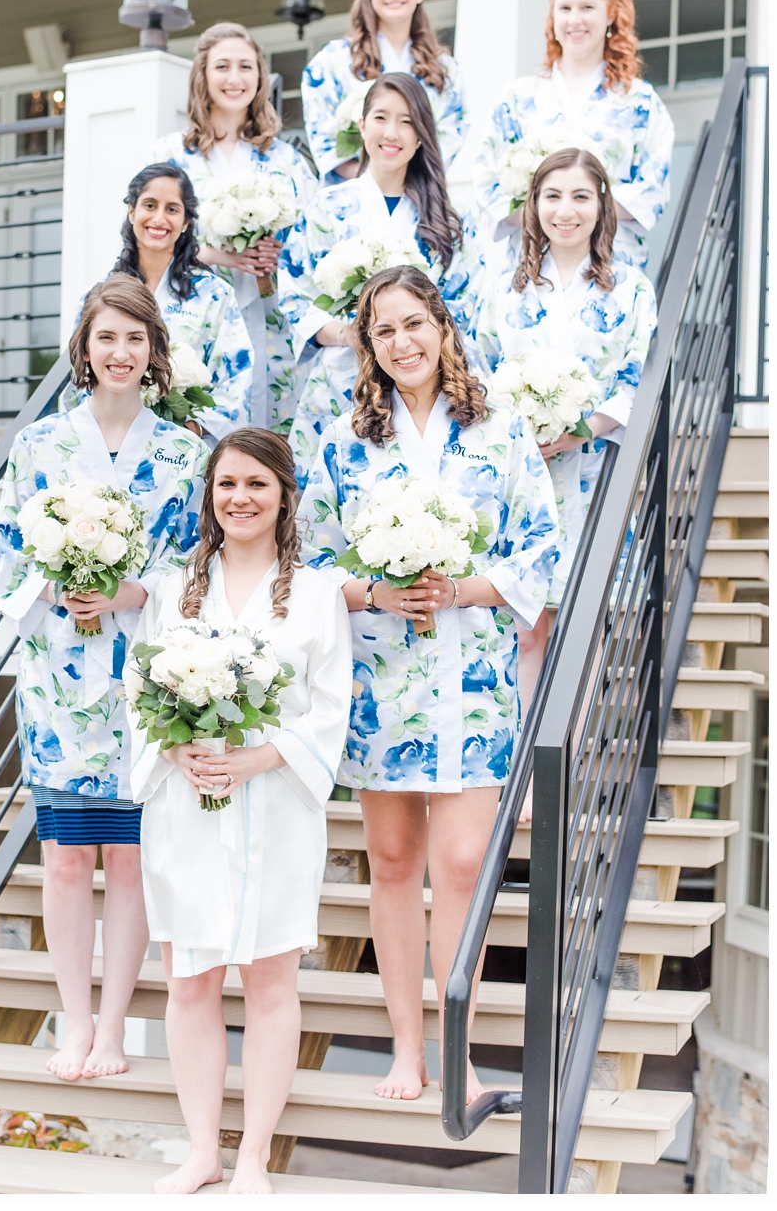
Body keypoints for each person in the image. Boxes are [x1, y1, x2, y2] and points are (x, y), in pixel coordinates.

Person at [297, 266, 558, 1106]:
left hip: (473, 673)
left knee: (462, 860)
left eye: (415, 324)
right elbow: (308, 564)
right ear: (367, 348)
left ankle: (458, 1050)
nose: (403, 343)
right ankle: (404, 1048)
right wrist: (375, 590)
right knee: (393, 858)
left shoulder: (501, 430)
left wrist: (466, 589)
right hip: (380, 674)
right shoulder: (343, 442)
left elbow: (540, 549)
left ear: (442, 328)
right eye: (384, 332)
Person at [0, 275, 208, 1082]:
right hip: (55, 675)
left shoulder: (185, 455)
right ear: (83, 348)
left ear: (154, 353)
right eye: (106, 338)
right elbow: (8, 554)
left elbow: (195, 566)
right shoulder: (39, 446)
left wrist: (132, 591)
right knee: (65, 861)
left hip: (146, 676)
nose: (120, 353)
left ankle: (114, 1028)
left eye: (135, 339)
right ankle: (73, 1023)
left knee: (128, 860)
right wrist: (55, 587)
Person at [129, 430, 351, 1195]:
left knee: (267, 981)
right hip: (186, 809)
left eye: (256, 484)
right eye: (226, 484)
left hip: (279, 806)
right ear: (209, 495)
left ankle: (252, 1152)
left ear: (284, 494)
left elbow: (330, 707)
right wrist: (172, 751)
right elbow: (137, 696)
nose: (240, 498)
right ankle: (201, 1151)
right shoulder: (171, 587)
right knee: (188, 980)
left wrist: (260, 758)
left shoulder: (320, 593)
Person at [470, 147, 656, 699]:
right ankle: (522, 774)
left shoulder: (631, 288)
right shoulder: (503, 286)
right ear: (533, 204)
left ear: (601, 205)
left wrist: (580, 430)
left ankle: (570, 766)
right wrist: (516, 428)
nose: (565, 210)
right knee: (526, 630)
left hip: (596, 469)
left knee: (582, 629)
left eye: (580, 196)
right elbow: (478, 365)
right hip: (518, 471)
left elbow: (636, 378)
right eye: (552, 196)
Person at [279, 72, 483, 489]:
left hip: (424, 380)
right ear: (362, 125)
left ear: (423, 134)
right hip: (342, 378)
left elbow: (466, 300)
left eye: (407, 121)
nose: (392, 133)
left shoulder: (449, 217)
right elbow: (294, 292)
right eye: (381, 118)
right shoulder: (328, 206)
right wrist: (349, 334)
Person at [151, 22, 317, 432]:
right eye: (222, 66)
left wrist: (281, 254)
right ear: (203, 76)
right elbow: (153, 237)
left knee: (276, 430)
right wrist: (225, 256)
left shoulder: (285, 159)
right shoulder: (173, 154)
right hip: (195, 308)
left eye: (246, 66)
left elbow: (315, 235)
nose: (235, 78)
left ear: (259, 76)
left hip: (275, 310)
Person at [474, 0, 675, 269]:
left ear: (610, 14)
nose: (574, 20)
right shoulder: (518, 99)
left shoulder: (640, 103)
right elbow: (487, 183)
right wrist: (547, 212)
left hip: (611, 268)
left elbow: (652, 190)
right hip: (531, 269)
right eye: (564, 8)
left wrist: (580, 208)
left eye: (587, 8)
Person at [61, 165, 253, 442]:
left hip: (187, 444)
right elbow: (80, 373)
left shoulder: (215, 294)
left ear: (186, 221)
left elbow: (238, 372)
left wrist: (190, 431)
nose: (159, 218)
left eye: (172, 209)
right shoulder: (98, 297)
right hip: (109, 439)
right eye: (149, 205)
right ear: (132, 211)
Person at [302, 0, 468, 183]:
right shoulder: (332, 60)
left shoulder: (445, 69)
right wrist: (371, 181)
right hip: (354, 191)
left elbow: (452, 131)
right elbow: (323, 135)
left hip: (419, 191)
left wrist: (408, 181)